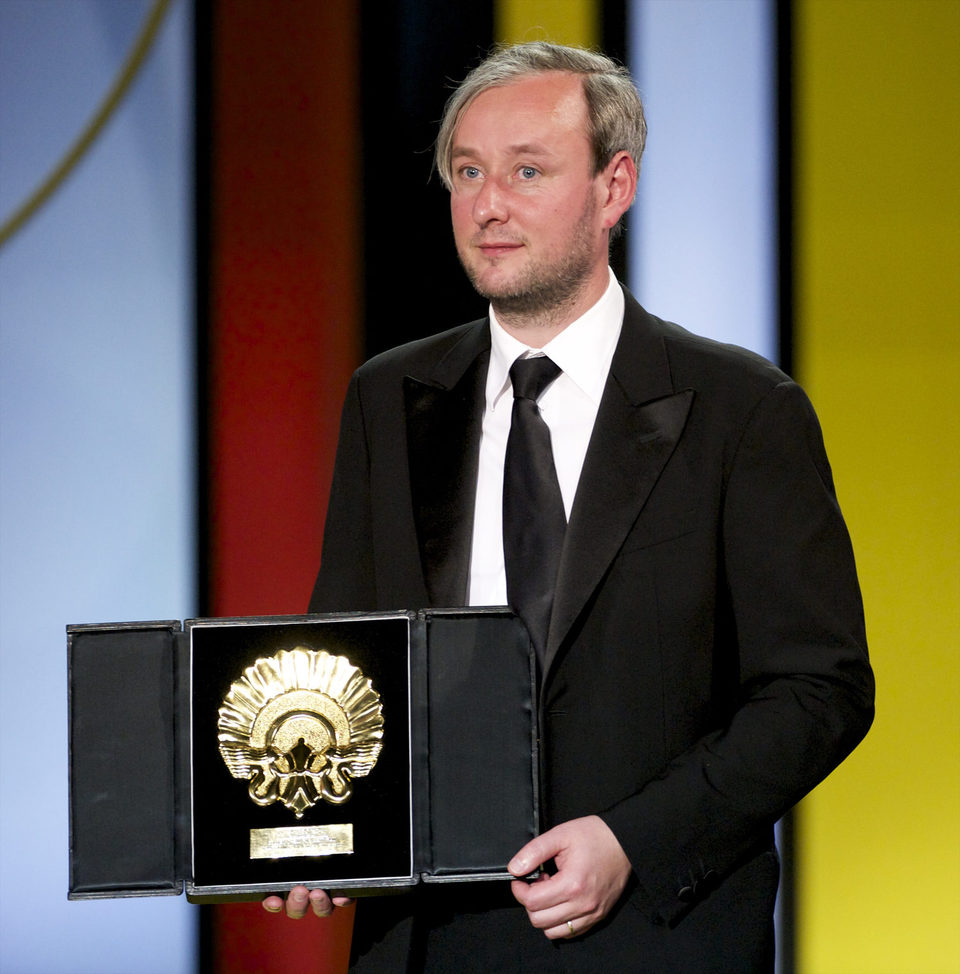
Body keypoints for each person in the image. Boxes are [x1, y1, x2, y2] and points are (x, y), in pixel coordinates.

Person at [263, 41, 874, 972]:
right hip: (431, 941)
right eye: (467, 172)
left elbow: (818, 690)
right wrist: (315, 821)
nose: (488, 204)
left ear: (613, 186)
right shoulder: (389, 397)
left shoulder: (741, 409)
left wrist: (634, 839)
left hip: (654, 929)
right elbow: (344, 654)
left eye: (527, 171)